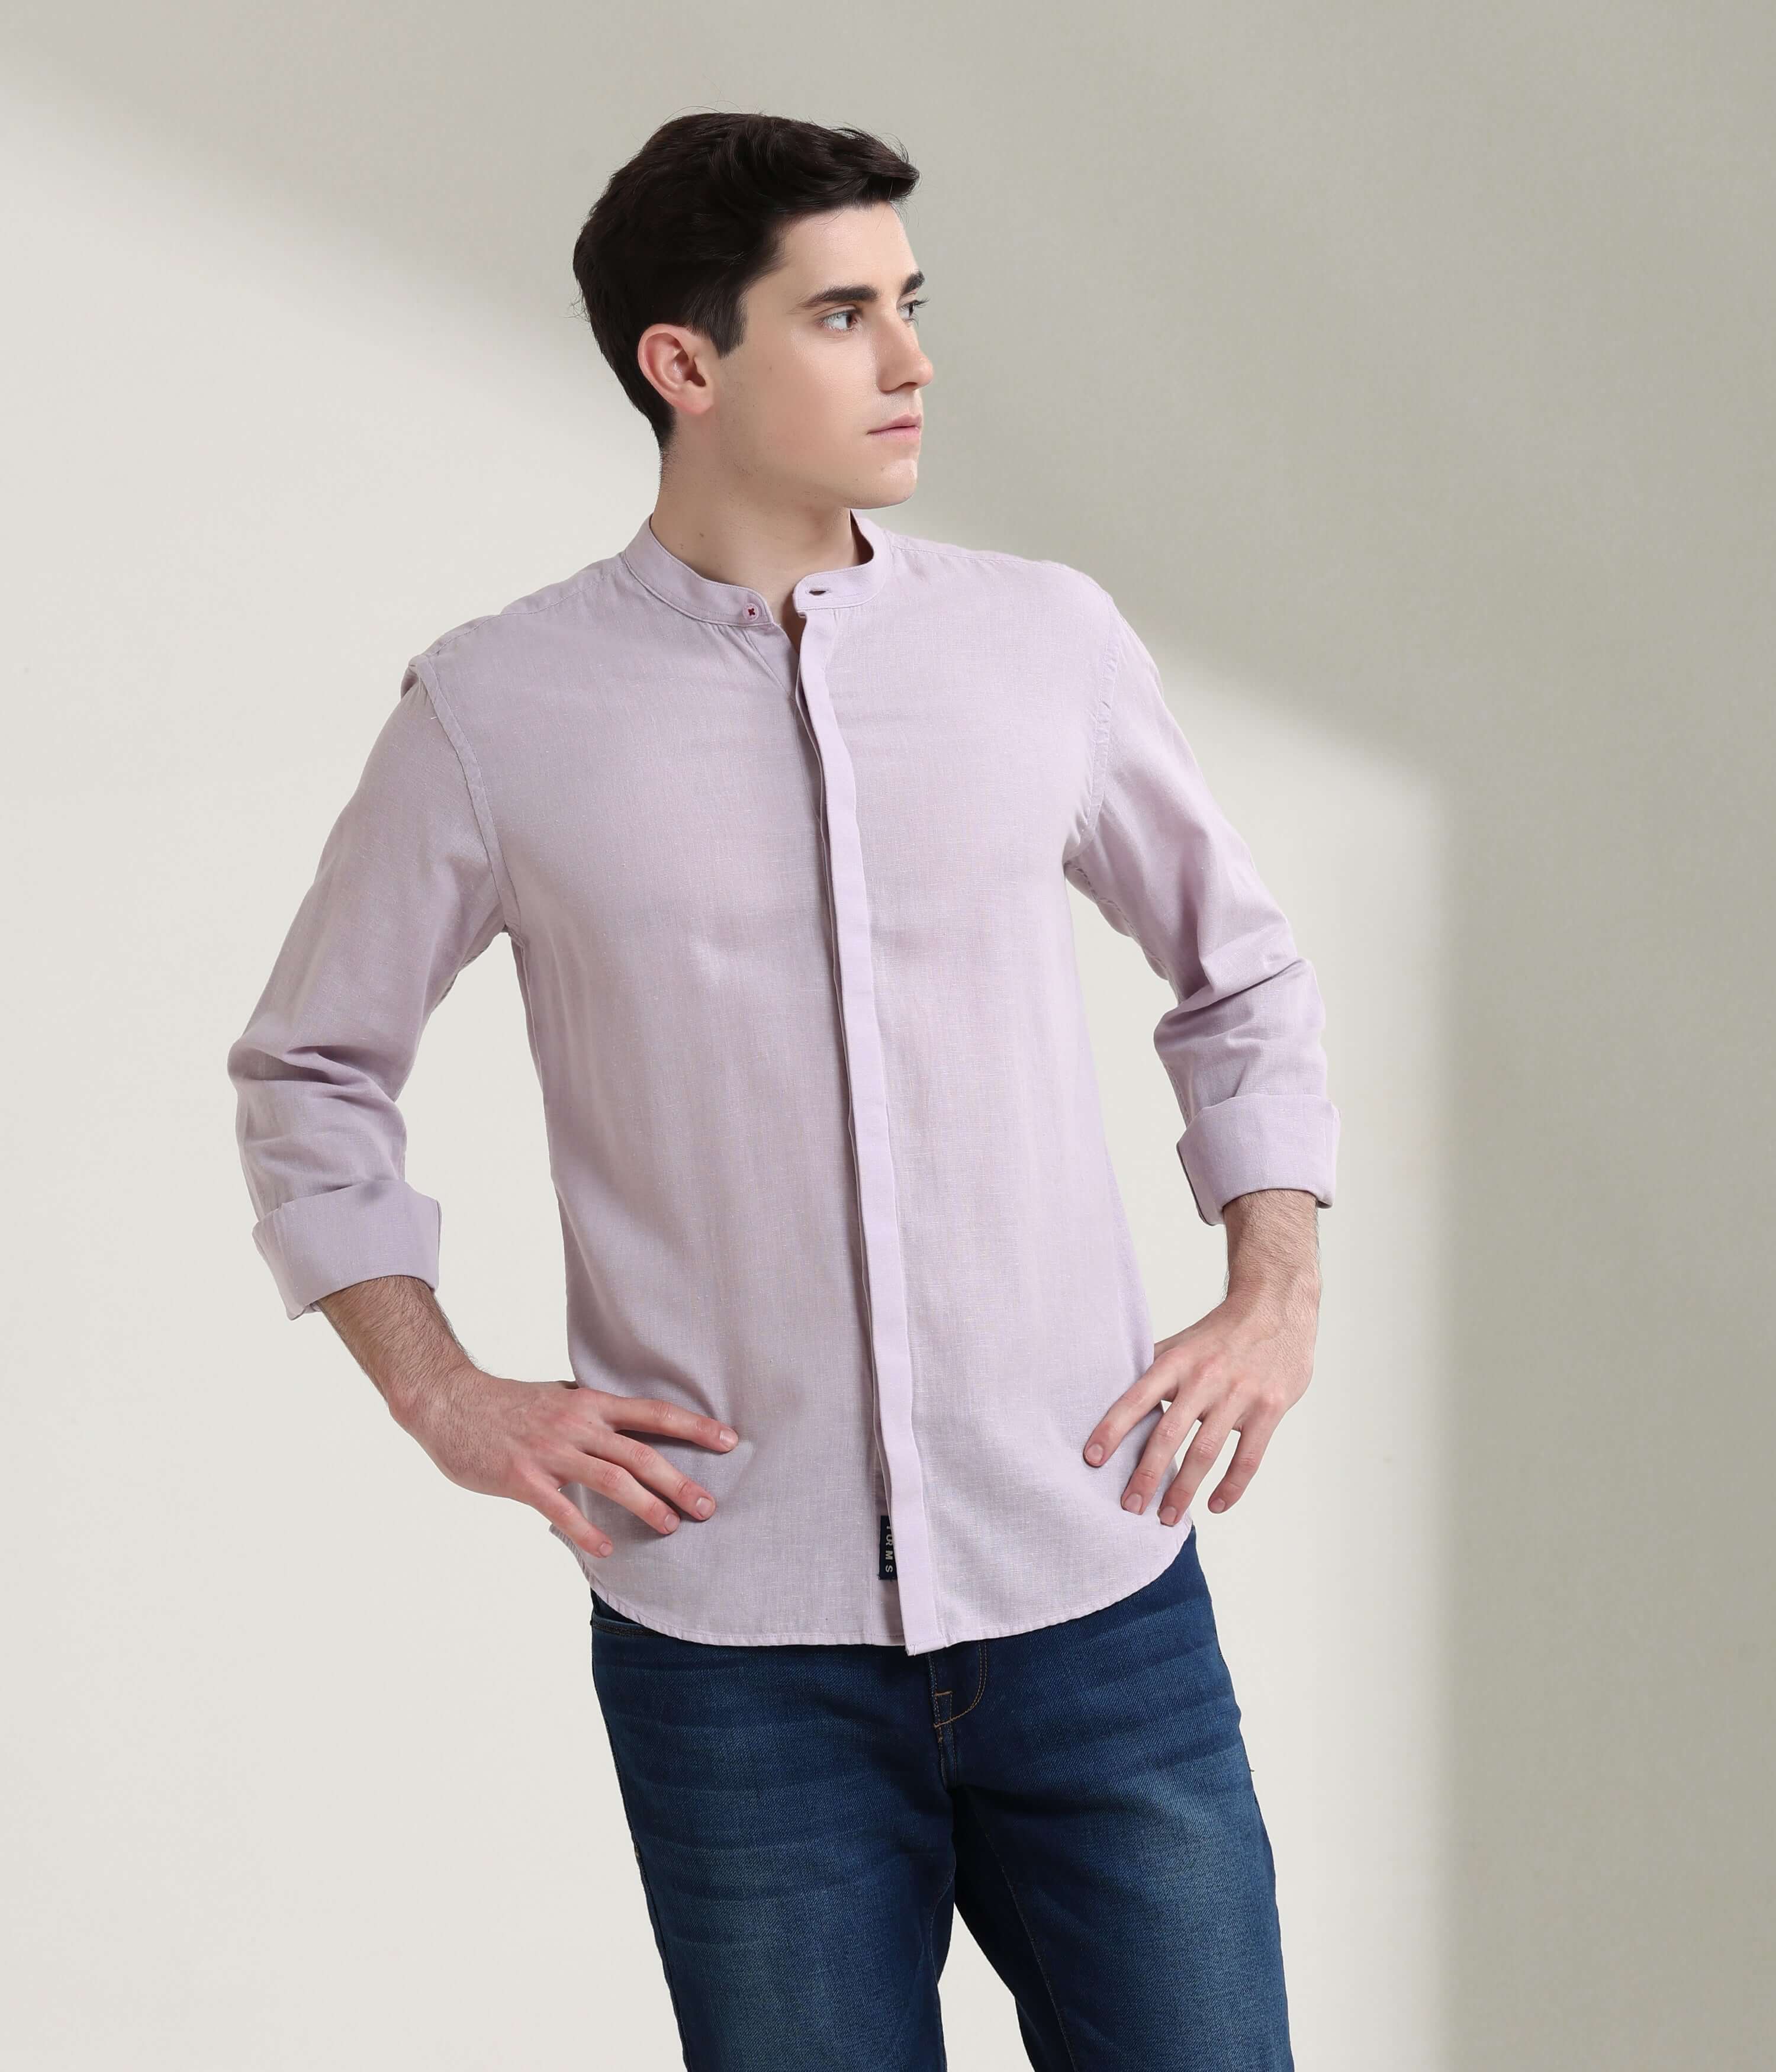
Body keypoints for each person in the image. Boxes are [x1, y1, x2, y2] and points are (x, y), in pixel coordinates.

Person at [226, 108, 1338, 2071]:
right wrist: (444, 1390)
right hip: (736, 1657)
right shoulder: (497, 708)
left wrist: (1275, 1289)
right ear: (686, 362)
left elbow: (1239, 968)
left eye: (909, 302)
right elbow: (311, 1069)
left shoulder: (1043, 643)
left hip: (1097, 1593)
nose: (913, 359)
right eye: (842, 315)